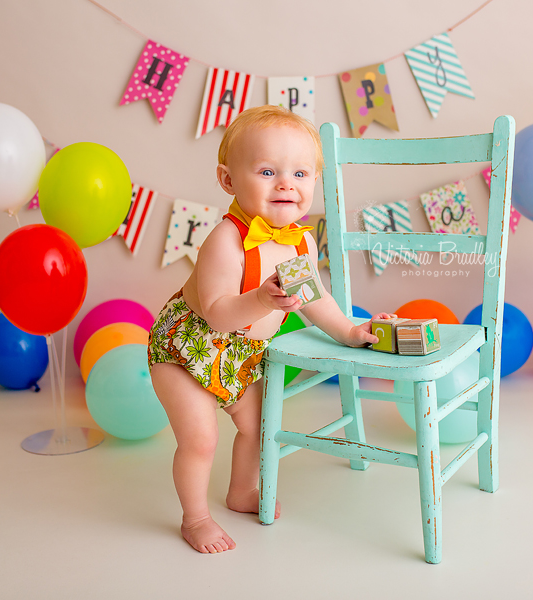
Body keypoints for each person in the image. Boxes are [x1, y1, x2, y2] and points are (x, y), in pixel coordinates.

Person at [148, 105, 392, 554]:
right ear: (228, 181)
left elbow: (316, 297)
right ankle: (195, 518)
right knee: (201, 440)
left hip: (241, 356)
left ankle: (241, 492)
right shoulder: (226, 239)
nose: (286, 184)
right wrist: (261, 298)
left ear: (314, 183)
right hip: (188, 348)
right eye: (267, 171)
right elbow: (219, 313)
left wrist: (349, 332)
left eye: (301, 173)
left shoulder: (298, 240)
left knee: (260, 426)